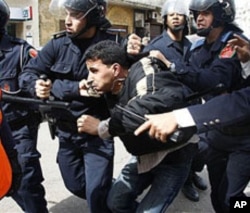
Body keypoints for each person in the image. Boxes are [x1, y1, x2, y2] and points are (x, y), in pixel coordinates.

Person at [18, 0, 140, 212]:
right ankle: (119, 198)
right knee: (75, 185)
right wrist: (37, 85)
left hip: (97, 132)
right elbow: (28, 73)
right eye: (67, 14)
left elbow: (131, 75)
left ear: (93, 16)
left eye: (76, 15)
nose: (67, 21)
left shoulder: (113, 44)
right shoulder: (57, 45)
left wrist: (135, 51)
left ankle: (117, 203)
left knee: (96, 195)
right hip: (66, 132)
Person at [135, 0, 250, 211]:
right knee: (218, 195)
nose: (199, 18)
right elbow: (189, 83)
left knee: (233, 199)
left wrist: (172, 65)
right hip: (216, 133)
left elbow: (214, 79)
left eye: (206, 13)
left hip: (243, 137)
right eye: (196, 14)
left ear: (221, 15)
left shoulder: (234, 43)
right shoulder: (198, 47)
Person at [77, 40, 198, 212]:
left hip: (174, 156)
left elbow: (145, 108)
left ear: (116, 69)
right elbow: (85, 88)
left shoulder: (145, 71)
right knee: (116, 203)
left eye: (94, 71)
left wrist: (101, 128)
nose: (90, 78)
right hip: (144, 156)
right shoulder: (109, 84)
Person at [142, 0, 207, 202]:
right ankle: (185, 181)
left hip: (195, 103)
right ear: (164, 19)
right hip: (172, 108)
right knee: (182, 148)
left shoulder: (192, 45)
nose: (176, 17)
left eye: (180, 14)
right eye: (172, 15)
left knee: (199, 147)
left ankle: (192, 173)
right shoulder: (155, 46)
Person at [0, 0, 48, 212]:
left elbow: (32, 77)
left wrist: (37, 85)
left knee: (26, 179)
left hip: (17, 127)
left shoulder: (19, 51)